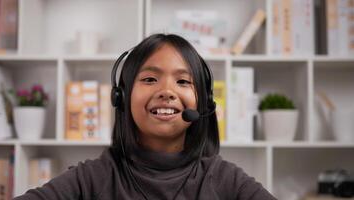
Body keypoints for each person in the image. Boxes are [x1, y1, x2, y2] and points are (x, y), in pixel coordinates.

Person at [14, 34, 277, 200]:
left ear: (203, 103)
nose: (166, 92)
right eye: (150, 79)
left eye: (183, 81)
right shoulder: (94, 177)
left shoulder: (225, 180)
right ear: (122, 97)